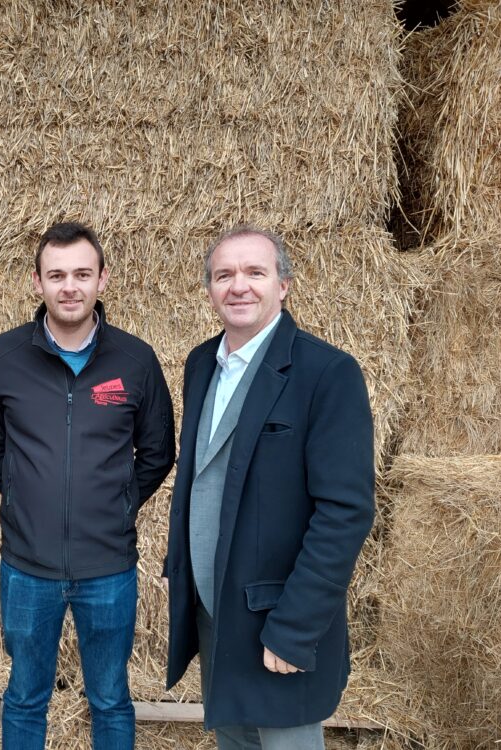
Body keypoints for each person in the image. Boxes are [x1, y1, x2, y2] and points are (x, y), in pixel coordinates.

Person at [164, 226, 375, 749]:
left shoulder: (326, 373)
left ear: (283, 284)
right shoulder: (200, 365)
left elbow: (344, 512)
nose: (239, 286)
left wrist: (295, 627)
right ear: (209, 289)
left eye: (255, 272)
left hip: (279, 624)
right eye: (224, 275)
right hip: (217, 617)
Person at [0, 221, 175, 749]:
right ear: (38, 283)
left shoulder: (136, 361)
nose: (70, 286)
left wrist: (120, 502)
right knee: (24, 695)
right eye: (57, 274)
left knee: (110, 697)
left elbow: (158, 452)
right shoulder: (3, 357)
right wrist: (20, 493)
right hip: (27, 566)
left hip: (108, 567)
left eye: (82, 274)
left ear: (102, 280)